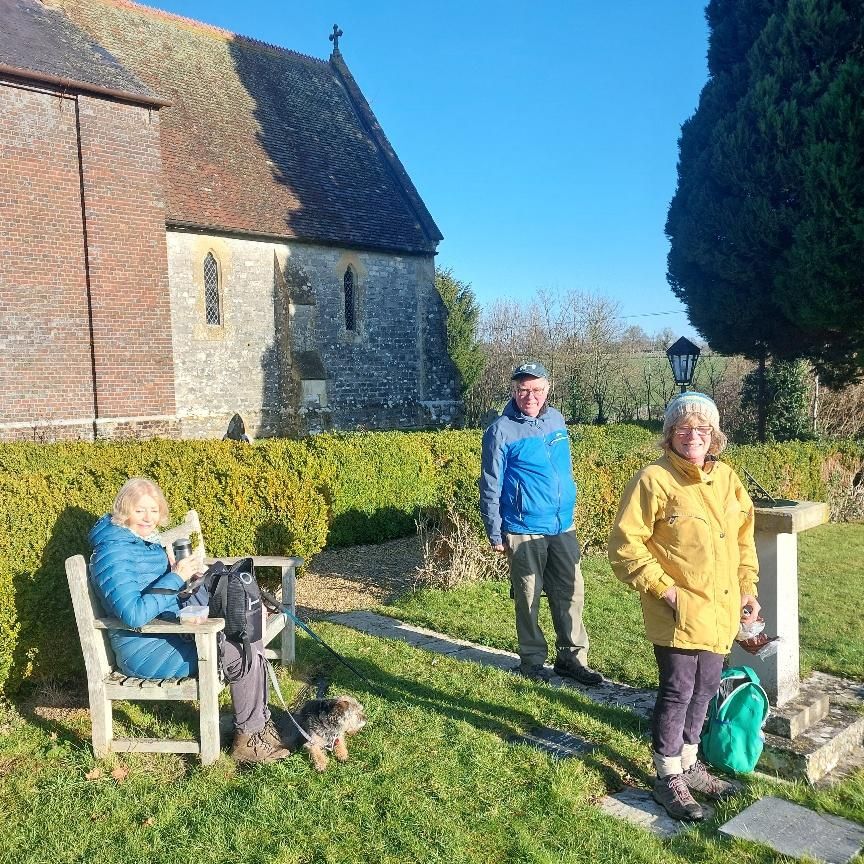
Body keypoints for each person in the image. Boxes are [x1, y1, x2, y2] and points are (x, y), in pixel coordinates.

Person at [608, 392, 759, 821]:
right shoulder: (654, 480)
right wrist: (665, 590)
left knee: (707, 686)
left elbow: (744, 539)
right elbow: (624, 546)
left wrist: (747, 589)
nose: (693, 435)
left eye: (702, 428)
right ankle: (666, 777)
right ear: (669, 434)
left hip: (722, 607)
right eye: (684, 428)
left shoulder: (728, 478)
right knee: (678, 690)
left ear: (714, 436)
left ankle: (690, 765)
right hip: (676, 609)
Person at [88, 477, 289, 764]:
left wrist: (188, 580)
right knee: (239, 653)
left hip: (169, 630)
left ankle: (257, 725)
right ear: (124, 510)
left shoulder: (142, 543)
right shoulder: (113, 551)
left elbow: (156, 591)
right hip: (145, 648)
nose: (148, 518)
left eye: (154, 511)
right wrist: (176, 576)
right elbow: (133, 614)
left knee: (245, 628)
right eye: (140, 511)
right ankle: (248, 740)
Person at [479, 361, 602, 685]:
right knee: (529, 597)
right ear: (513, 391)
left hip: (562, 525)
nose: (529, 396)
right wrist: (495, 531)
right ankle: (532, 660)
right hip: (523, 527)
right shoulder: (500, 431)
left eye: (536, 389)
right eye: (523, 390)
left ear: (547, 389)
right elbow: (491, 483)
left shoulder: (557, 419)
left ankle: (572, 658)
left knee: (571, 593)